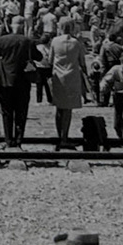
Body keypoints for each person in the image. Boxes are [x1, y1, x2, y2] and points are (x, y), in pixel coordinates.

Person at [46, 18, 89, 150]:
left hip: (58, 76)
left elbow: (50, 60)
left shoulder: (55, 41)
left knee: (59, 108)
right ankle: (65, 136)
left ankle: (60, 136)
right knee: (68, 110)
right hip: (72, 76)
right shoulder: (76, 43)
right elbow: (82, 61)